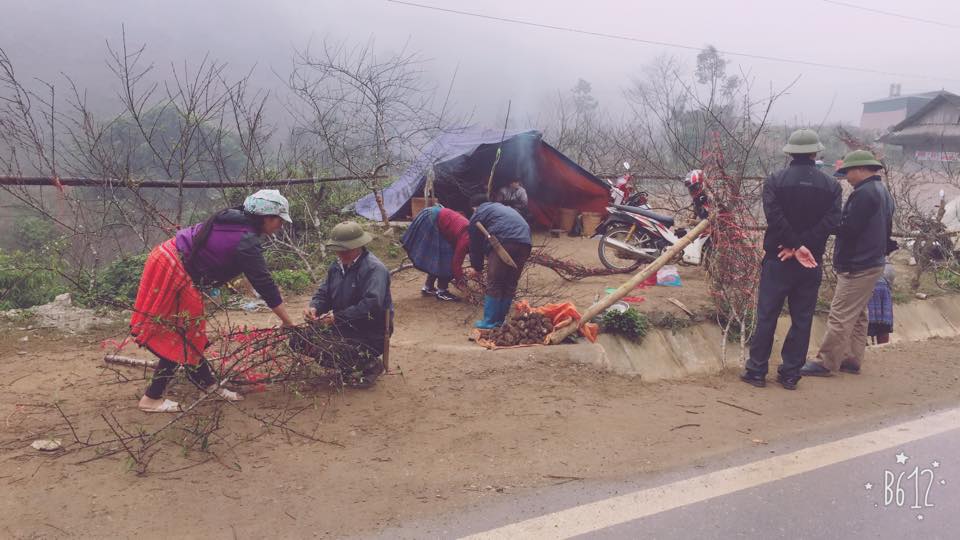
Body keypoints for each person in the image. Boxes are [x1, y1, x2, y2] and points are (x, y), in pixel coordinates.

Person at [133, 190, 296, 413]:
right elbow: (264, 284)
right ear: (267, 218)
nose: (280, 226)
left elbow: (248, 271)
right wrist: (288, 322)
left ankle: (207, 385)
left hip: (168, 258)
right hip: (173, 269)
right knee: (181, 336)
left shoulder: (234, 220)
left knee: (190, 333)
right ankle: (151, 399)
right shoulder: (247, 239)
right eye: (279, 220)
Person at [741, 129, 842, 390]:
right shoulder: (832, 186)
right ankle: (790, 374)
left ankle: (756, 371)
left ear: (790, 153)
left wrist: (794, 246)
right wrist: (805, 247)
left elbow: (774, 216)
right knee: (802, 318)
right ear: (815, 152)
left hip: (778, 258)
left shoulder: (775, 180)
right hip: (811, 263)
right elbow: (831, 221)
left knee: (767, 316)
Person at [801, 150, 896, 377]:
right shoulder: (882, 192)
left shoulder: (864, 194)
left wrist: (826, 223)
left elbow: (849, 228)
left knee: (840, 313)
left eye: (848, 172)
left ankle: (826, 361)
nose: (846, 177)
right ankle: (852, 357)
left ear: (861, 169)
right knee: (859, 312)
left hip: (858, 263)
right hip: (873, 260)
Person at [300, 221, 393, 388]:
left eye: (345, 250)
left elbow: (372, 305)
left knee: (329, 349)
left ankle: (369, 364)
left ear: (358, 246)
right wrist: (314, 307)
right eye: (338, 250)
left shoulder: (374, 269)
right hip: (342, 326)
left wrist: (336, 317)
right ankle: (349, 364)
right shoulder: (336, 266)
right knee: (299, 339)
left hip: (369, 332)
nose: (341, 254)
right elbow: (324, 293)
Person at [465, 194, 532, 329]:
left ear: (474, 208)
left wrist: (476, 267)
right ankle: (500, 321)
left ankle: (489, 322)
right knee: (510, 282)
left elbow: (475, 245)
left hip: (504, 241)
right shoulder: (501, 208)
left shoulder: (478, 214)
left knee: (495, 281)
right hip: (525, 241)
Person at [401, 205, 469, 302]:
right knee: (446, 258)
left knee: (438, 256)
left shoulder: (470, 232)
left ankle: (428, 287)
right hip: (431, 219)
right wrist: (461, 283)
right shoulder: (466, 239)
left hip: (432, 213)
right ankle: (442, 292)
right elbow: (456, 264)